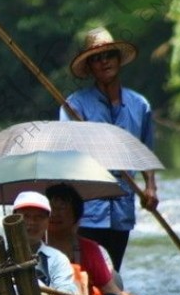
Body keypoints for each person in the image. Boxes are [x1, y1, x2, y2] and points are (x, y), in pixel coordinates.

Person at [60, 27, 159, 272]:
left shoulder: (139, 105)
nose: (104, 62)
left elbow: (145, 151)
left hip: (122, 206)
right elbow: (64, 157)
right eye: (96, 58)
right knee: (87, 276)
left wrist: (150, 187)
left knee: (112, 273)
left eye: (109, 56)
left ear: (118, 60)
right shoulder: (75, 106)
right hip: (86, 208)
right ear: (90, 68)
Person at [44, 182, 165, 295]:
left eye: (61, 208)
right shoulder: (32, 245)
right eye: (51, 209)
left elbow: (114, 292)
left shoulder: (88, 249)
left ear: (76, 216)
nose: (54, 214)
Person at [10, 190, 80, 295]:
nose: (31, 223)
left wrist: (34, 289)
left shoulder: (56, 259)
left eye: (38, 217)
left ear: (48, 222)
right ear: (13, 220)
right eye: (25, 216)